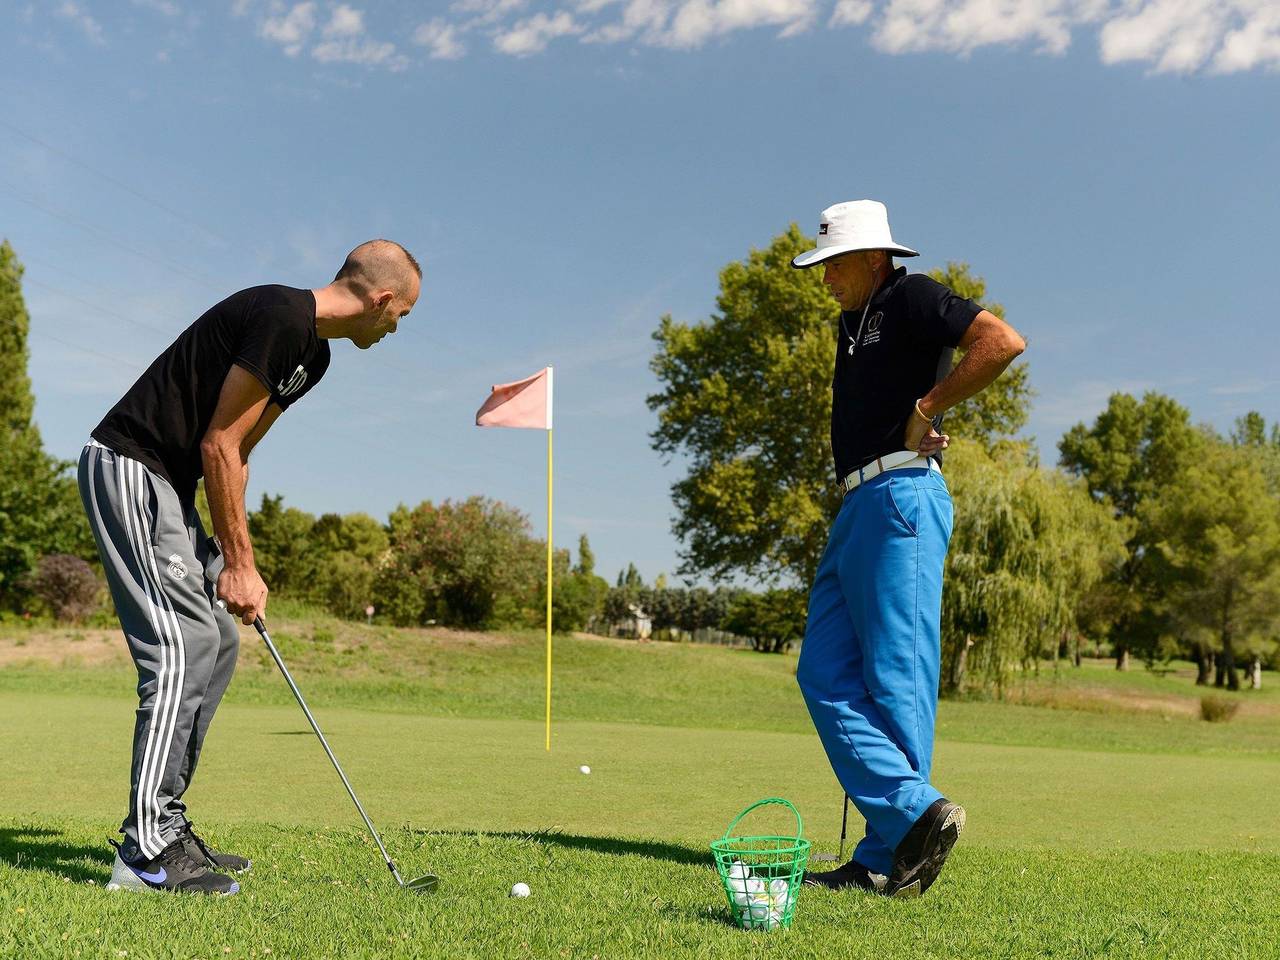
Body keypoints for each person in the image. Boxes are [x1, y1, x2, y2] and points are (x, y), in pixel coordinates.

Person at [77, 239, 421, 895]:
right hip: (128, 465)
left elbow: (235, 453)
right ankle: (144, 851)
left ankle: (168, 825)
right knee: (179, 648)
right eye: (401, 314)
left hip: (172, 487)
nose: (395, 328)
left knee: (221, 642)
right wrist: (237, 563)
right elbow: (219, 443)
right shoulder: (281, 317)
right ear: (381, 300)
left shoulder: (312, 357)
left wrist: (228, 560)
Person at [792, 201, 1025, 898]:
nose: (825, 277)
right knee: (824, 672)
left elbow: (1002, 342)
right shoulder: (849, 321)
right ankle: (909, 819)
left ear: (873, 258)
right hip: (857, 504)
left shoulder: (916, 296)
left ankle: (883, 855)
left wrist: (928, 408)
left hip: (902, 500)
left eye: (833, 263)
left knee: (897, 680)